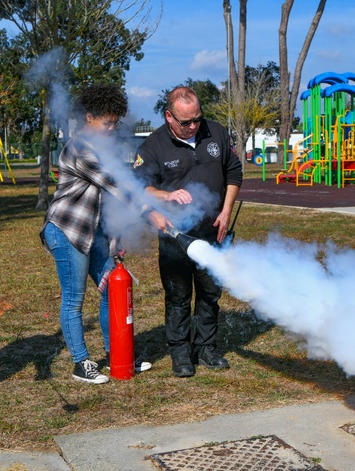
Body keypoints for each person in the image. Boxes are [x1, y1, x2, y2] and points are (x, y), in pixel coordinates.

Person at [41, 84, 170, 384]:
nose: (112, 129)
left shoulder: (102, 149)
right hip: (67, 231)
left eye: (115, 123)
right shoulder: (79, 149)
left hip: (94, 233)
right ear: (89, 118)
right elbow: (115, 186)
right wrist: (149, 211)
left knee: (112, 288)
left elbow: (108, 204)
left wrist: (115, 241)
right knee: (74, 299)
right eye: (106, 123)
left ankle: (118, 356)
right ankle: (81, 363)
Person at [135, 86, 243, 377]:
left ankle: (206, 347)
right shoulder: (153, 146)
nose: (194, 125)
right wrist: (165, 196)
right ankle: (181, 353)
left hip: (213, 231)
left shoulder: (217, 133)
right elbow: (139, 188)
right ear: (169, 116)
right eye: (186, 122)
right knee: (178, 295)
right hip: (176, 236)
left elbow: (234, 172)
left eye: (197, 118)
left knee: (210, 293)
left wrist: (225, 211)